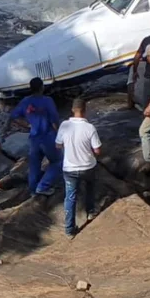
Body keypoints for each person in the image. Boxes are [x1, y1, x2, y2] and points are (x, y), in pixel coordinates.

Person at [56, 98, 103, 238]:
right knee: (90, 188)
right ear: (85, 110)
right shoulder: (90, 128)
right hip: (88, 166)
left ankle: (70, 230)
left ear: (72, 109)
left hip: (70, 169)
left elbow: (58, 145)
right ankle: (90, 212)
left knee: (70, 197)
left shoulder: (64, 125)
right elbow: (98, 151)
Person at [9, 77, 61, 197]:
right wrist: (60, 135)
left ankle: (33, 190)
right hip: (47, 136)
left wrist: (27, 125)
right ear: (42, 87)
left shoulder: (25, 101)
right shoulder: (47, 101)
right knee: (57, 161)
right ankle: (43, 186)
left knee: (34, 165)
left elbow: (14, 116)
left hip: (34, 137)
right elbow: (54, 120)